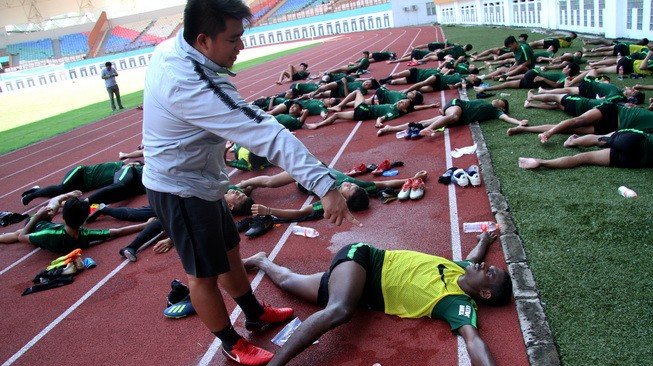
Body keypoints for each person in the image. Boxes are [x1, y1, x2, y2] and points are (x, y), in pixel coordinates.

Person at [141, 1, 359, 365]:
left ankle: (254, 313)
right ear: (203, 40)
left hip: (201, 179)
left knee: (229, 254)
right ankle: (231, 342)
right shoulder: (186, 85)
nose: (241, 46)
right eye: (234, 38)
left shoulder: (178, 50)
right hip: (179, 188)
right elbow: (266, 133)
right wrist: (326, 186)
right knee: (203, 275)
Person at [243, 231, 512, 366]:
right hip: (366, 259)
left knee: (290, 282)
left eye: (489, 273)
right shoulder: (461, 267)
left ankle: (261, 260)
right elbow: (476, 256)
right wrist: (485, 240)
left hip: (362, 291)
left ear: (484, 293)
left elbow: (473, 340)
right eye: (489, 266)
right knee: (339, 309)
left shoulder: (458, 303)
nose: (484, 266)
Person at [0, 191, 151, 253]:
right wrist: (145, 225)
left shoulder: (47, 234)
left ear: (63, 217)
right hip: (50, 228)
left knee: (19, 232)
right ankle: (62, 198)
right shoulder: (85, 234)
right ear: (84, 219)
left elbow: (22, 237)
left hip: (37, 225)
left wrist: (37, 216)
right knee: (49, 210)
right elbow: (117, 232)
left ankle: (60, 198)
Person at [240, 170, 429, 219]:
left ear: (344, 200)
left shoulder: (331, 201)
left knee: (271, 182)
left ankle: (243, 183)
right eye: (350, 185)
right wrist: (412, 178)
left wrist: (268, 210)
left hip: (303, 176)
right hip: (317, 165)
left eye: (347, 189)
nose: (347, 184)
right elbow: (385, 183)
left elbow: (301, 212)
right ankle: (248, 185)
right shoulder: (357, 185)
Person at [377, 98, 527, 137]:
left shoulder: (496, 112)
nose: (497, 100)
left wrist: (519, 122)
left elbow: (507, 118)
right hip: (457, 105)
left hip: (456, 117)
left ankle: (390, 128)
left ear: (502, 106)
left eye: (501, 101)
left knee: (421, 123)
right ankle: (429, 130)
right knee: (454, 117)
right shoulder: (486, 101)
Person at [507, 102, 653, 143]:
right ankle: (549, 133)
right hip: (614, 111)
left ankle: (523, 129)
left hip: (614, 127)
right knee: (578, 121)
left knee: (569, 130)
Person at [518, 129, 653, 170]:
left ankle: (573, 141)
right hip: (638, 159)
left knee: (599, 138)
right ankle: (540, 162)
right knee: (583, 158)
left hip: (636, 139)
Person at [304, 90, 427, 130]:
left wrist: (378, 122)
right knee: (336, 116)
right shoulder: (398, 107)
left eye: (403, 103)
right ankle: (317, 125)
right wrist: (429, 107)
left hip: (365, 110)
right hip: (362, 112)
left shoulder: (394, 112)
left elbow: (382, 117)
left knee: (357, 91)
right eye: (402, 100)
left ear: (404, 110)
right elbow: (414, 108)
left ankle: (340, 105)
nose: (401, 101)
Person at [20, 161, 126, 205]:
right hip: (80, 173)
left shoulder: (121, 178)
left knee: (62, 194)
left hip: (84, 186)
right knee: (61, 188)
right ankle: (33, 194)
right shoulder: (119, 166)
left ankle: (37, 190)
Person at [473, 62, 579, 93]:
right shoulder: (563, 74)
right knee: (506, 85)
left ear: (569, 70)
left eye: (566, 67)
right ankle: (484, 88)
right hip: (532, 76)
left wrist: (543, 79)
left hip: (534, 78)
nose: (564, 68)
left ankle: (505, 75)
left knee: (509, 82)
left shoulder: (566, 78)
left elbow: (557, 86)